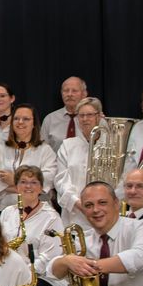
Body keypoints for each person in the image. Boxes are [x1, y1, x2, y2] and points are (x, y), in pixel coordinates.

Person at [0, 166, 65, 286]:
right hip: (8, 274)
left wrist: (21, 274)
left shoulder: (51, 217)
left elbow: (49, 258)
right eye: (23, 182)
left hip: (42, 277)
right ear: (16, 187)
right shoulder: (7, 212)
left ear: (41, 188)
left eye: (34, 182)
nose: (28, 186)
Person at [0, 104, 57, 210]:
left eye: (26, 119)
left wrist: (14, 180)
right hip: (5, 208)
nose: (20, 122)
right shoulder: (1, 148)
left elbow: (47, 180)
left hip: (38, 210)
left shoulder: (45, 150)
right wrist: (30, 186)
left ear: (34, 124)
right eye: (16, 119)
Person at [54, 97, 104, 228]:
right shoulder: (67, 145)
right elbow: (61, 181)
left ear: (99, 117)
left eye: (89, 115)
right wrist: (78, 203)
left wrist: (100, 206)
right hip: (75, 214)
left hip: (105, 214)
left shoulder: (110, 146)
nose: (85, 119)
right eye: (81, 115)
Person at [41, 77, 89, 152]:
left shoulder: (93, 119)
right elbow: (42, 151)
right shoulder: (50, 119)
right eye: (66, 90)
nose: (69, 94)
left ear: (84, 94)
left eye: (74, 90)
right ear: (61, 93)